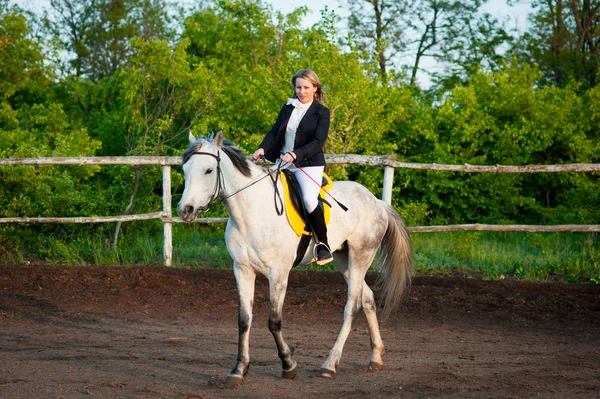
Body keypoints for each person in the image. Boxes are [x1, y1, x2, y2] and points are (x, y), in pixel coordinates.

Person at [252, 69, 333, 265]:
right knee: (262, 191)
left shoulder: (322, 112)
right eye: (298, 87)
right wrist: (263, 147)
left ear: (315, 88)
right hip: (282, 162)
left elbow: (318, 141)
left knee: (307, 198)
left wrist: (296, 154)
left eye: (306, 88)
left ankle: (323, 244)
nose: (302, 92)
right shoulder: (288, 108)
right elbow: (273, 132)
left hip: (308, 165)